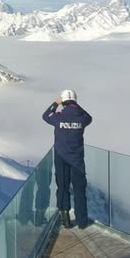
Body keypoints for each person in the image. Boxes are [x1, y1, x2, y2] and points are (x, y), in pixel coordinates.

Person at [42, 89, 93, 229]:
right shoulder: (82, 118)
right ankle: (82, 222)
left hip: (61, 157)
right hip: (77, 160)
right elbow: (89, 117)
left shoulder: (58, 117)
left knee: (63, 187)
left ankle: (65, 220)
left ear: (63, 101)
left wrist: (55, 103)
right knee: (79, 190)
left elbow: (45, 115)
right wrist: (76, 106)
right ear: (75, 101)